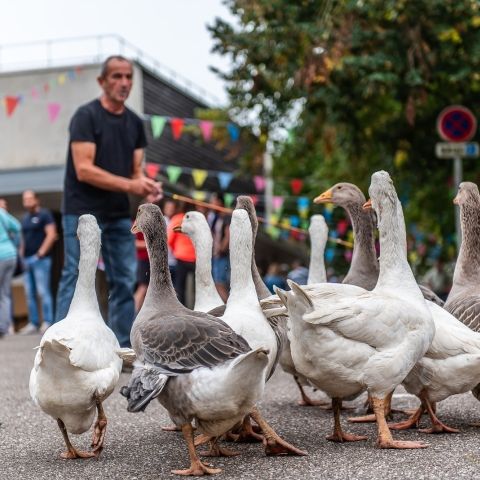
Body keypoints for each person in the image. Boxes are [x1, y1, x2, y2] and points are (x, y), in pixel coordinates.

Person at [54, 55, 162, 348]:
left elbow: (135, 172)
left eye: (128, 76)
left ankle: (122, 347)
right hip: (80, 210)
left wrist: (147, 188)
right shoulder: (86, 117)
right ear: (102, 81)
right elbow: (84, 169)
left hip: (116, 213)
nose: (124, 82)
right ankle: (62, 345)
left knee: (125, 280)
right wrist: (131, 184)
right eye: (116, 76)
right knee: (76, 274)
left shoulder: (135, 124)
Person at [19, 190, 58, 334]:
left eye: (29, 198)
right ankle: (33, 323)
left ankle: (47, 321)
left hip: (41, 260)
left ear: (36, 200)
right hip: (27, 260)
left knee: (43, 291)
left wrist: (40, 253)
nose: (27, 201)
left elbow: (51, 234)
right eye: (25, 199)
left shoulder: (45, 215)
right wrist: (21, 256)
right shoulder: (25, 218)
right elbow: (23, 239)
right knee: (30, 293)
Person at [167, 203, 196, 306]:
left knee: (180, 288)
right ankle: (198, 310)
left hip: (181, 256)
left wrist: (176, 250)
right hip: (196, 258)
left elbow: (169, 239)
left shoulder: (177, 219)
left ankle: (183, 311)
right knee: (197, 289)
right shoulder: (198, 220)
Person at [0, 201, 21, 337]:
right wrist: (15, 245)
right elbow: (17, 227)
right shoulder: (2, 212)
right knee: (5, 293)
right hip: (11, 254)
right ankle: (4, 327)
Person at [210, 195, 231, 302]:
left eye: (213, 201)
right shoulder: (216, 217)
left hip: (222, 256)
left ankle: (229, 308)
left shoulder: (226, 216)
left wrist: (221, 248)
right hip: (215, 255)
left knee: (220, 283)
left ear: (219, 202)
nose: (211, 204)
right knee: (217, 283)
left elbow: (228, 234)